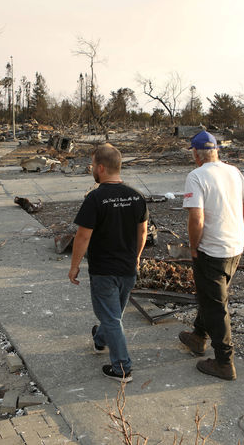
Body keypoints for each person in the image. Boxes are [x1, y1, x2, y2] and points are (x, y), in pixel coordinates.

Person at [179, 130, 244, 380]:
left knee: (216, 306)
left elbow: (197, 218)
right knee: (210, 296)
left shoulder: (196, 176)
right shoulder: (233, 171)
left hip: (212, 251)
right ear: (216, 151)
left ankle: (225, 362)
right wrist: (238, 228)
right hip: (234, 247)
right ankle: (198, 337)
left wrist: (194, 247)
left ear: (195, 153)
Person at [68, 143, 148, 383]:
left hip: (104, 271)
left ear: (101, 168)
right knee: (113, 315)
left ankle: (122, 368)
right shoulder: (136, 196)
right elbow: (142, 232)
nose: (92, 169)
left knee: (112, 317)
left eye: (93, 165)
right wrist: (137, 256)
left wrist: (74, 266)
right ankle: (100, 339)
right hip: (127, 269)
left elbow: (83, 235)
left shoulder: (95, 198)